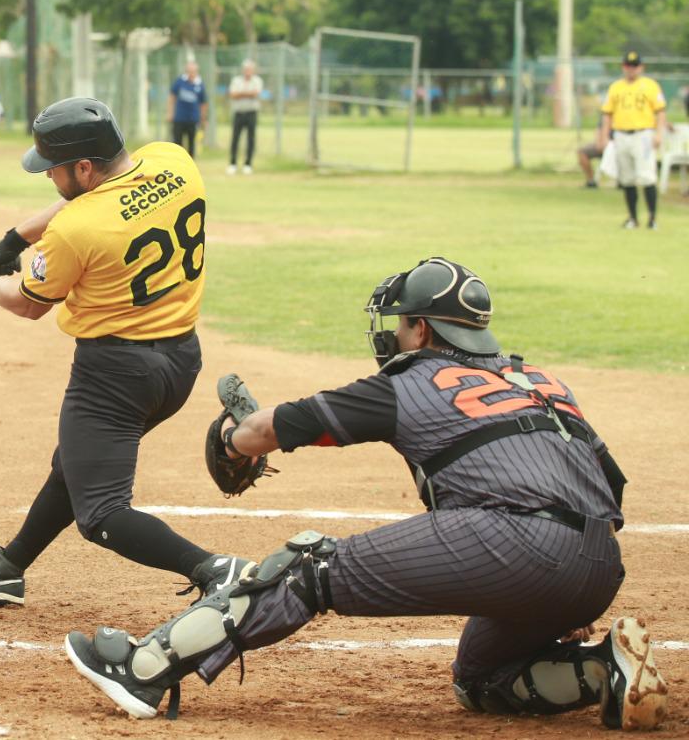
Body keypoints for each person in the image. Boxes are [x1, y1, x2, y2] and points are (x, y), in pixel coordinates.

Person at [62, 257, 666, 731]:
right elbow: (609, 486)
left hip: (513, 543)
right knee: (481, 679)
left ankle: (144, 668)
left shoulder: (412, 378)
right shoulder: (544, 381)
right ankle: (604, 667)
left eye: (402, 321)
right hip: (598, 565)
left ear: (422, 328)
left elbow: (269, 429)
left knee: (306, 570)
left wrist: (232, 439)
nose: (395, 332)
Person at [0, 97, 252, 608]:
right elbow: (97, 201)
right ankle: (6, 570)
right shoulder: (175, 162)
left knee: (101, 513)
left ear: (83, 167)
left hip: (114, 377)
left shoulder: (75, 234)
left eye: (54, 170)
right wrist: (14, 239)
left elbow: (26, 304)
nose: (50, 179)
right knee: (76, 465)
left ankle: (218, 570)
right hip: (180, 362)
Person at [598, 50, 668, 229]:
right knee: (627, 178)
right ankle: (632, 218)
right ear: (623, 67)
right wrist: (605, 136)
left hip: (643, 134)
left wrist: (659, 133)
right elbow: (607, 113)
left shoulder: (650, 86)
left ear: (641, 67)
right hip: (621, 134)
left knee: (647, 176)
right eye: (628, 66)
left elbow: (660, 111)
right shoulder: (616, 87)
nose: (631, 70)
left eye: (635, 66)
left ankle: (652, 218)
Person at [226, 59, 263, 175]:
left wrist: (241, 93)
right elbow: (233, 94)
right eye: (246, 69)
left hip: (251, 113)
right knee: (235, 138)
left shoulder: (257, 81)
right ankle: (233, 163)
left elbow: (256, 93)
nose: (248, 72)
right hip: (239, 113)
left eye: (250, 70)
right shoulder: (236, 80)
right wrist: (248, 93)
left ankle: (248, 164)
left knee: (251, 139)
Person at [167, 60, 206, 157]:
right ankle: (177, 162)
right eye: (189, 71)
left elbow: (203, 103)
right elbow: (172, 97)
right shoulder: (180, 81)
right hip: (179, 118)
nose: (191, 73)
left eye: (193, 71)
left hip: (193, 119)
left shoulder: (200, 84)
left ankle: (190, 163)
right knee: (177, 143)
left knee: (191, 143)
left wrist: (203, 118)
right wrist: (170, 113)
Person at [577, 114, 606, 189]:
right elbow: (598, 129)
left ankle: (623, 182)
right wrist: (599, 142)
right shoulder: (605, 113)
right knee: (581, 152)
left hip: (617, 145)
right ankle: (591, 181)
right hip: (602, 144)